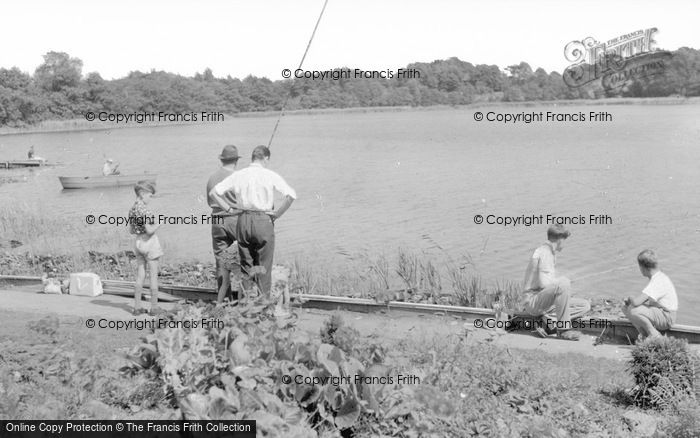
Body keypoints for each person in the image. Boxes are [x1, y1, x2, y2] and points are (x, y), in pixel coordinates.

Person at [210, 145, 296, 295]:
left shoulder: (239, 174)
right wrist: (277, 214)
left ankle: (246, 309)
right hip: (263, 221)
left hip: (243, 220)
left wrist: (229, 210)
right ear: (266, 158)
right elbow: (291, 196)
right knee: (264, 268)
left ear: (252, 158)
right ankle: (262, 309)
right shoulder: (269, 174)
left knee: (246, 268)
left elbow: (214, 193)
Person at [520, 225, 591, 340]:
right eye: (564, 241)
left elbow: (545, 282)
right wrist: (563, 283)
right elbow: (544, 284)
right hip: (533, 302)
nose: (565, 244)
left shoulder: (547, 251)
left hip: (543, 302)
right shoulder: (545, 253)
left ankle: (545, 320)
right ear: (559, 239)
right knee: (564, 283)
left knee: (584, 305)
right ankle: (563, 331)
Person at [206, 145, 243, 303]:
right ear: (236, 160)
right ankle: (245, 301)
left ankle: (224, 301)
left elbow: (210, 201)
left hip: (217, 219)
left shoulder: (212, 178)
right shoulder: (238, 177)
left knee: (221, 261)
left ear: (222, 159)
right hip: (234, 218)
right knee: (244, 257)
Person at [623, 249, 678, 341]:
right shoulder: (658, 277)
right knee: (625, 308)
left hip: (667, 317)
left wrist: (630, 297)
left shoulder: (657, 281)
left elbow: (636, 302)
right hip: (662, 313)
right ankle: (644, 334)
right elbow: (647, 299)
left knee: (633, 310)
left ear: (643, 268)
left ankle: (654, 334)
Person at [128, 180, 163, 315]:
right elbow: (149, 230)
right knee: (153, 275)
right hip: (149, 242)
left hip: (138, 243)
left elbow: (131, 230)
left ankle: (137, 307)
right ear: (142, 194)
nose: (150, 198)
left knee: (140, 274)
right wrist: (159, 223)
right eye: (150, 195)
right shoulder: (145, 210)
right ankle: (154, 308)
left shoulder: (132, 209)